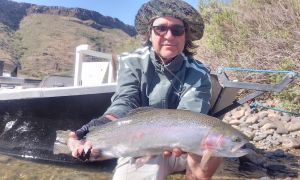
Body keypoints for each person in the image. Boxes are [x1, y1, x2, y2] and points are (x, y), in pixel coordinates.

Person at [68, 0, 222, 179]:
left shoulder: (199, 72)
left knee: (213, 149)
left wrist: (176, 139)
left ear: (186, 36)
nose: (169, 35)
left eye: (177, 30)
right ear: (150, 33)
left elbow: (189, 115)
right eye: (161, 28)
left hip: (185, 147)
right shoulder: (131, 62)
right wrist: (97, 126)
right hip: (140, 143)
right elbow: (125, 102)